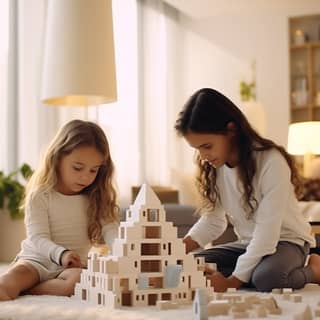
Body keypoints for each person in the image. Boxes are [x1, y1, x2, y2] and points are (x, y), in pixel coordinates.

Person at [175, 88, 320, 292]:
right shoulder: (215, 167)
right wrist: (174, 252)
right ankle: (251, 270)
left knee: (268, 279)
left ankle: (314, 270)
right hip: (249, 244)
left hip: (287, 242)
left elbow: (267, 234)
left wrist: (231, 283)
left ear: (231, 130)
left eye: (207, 146)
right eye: (197, 148)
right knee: (192, 265)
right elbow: (213, 221)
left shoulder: (271, 161)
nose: (203, 156)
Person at [0, 120, 119, 300]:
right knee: (7, 283)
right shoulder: (41, 195)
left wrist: (125, 252)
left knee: (79, 284)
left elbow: (111, 230)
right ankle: (23, 284)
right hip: (36, 261)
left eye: (93, 170)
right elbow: (38, 237)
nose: (86, 177)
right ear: (57, 158)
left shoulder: (97, 196)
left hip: (72, 267)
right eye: (78, 168)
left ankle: (31, 289)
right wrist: (61, 254)